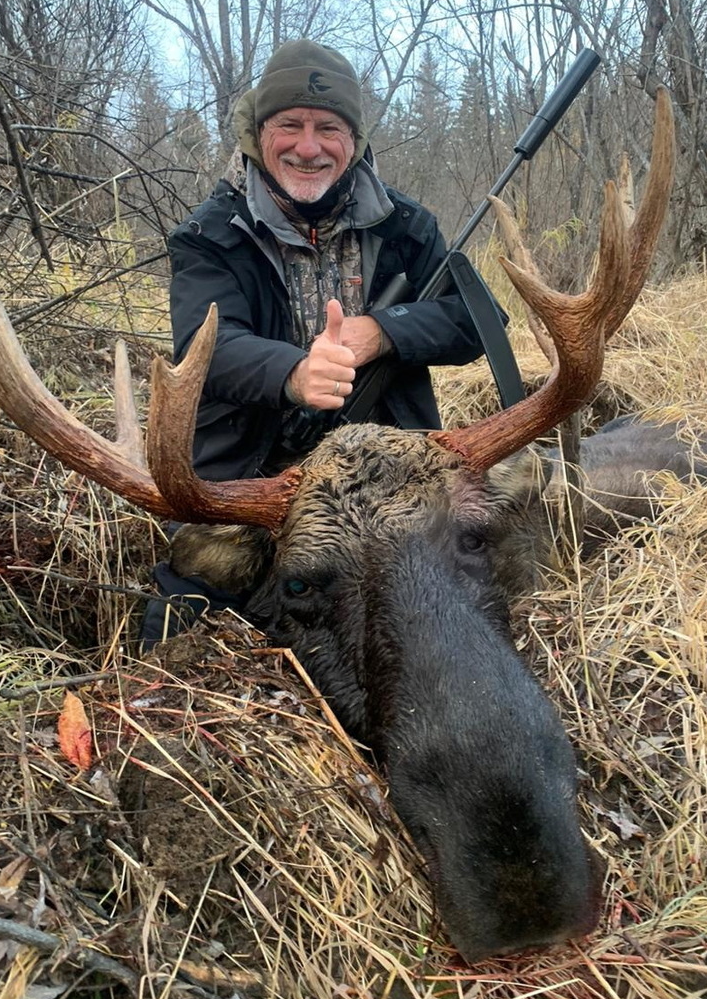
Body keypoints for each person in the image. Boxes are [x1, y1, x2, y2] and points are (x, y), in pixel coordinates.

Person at [140, 39, 487, 647]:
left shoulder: (408, 226)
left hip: (390, 471)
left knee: (450, 598)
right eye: (290, 125)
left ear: (353, 139)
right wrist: (294, 375)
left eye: (329, 127)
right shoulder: (208, 235)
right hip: (258, 478)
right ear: (258, 131)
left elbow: (477, 322)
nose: (308, 146)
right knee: (192, 611)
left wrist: (386, 332)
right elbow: (205, 346)